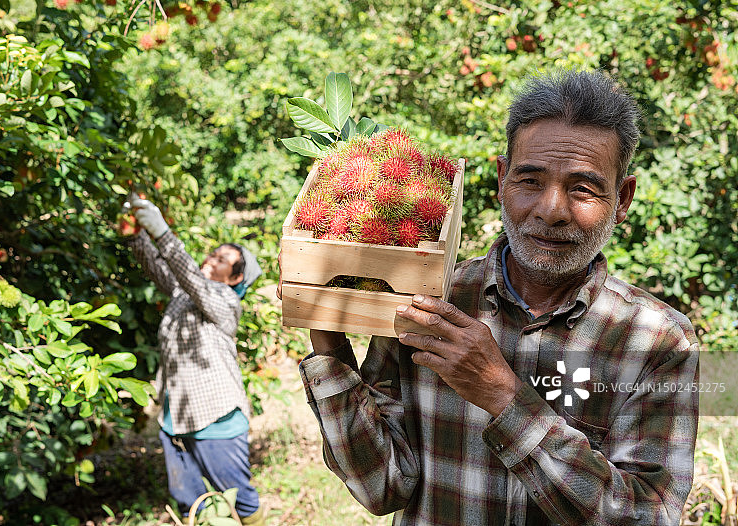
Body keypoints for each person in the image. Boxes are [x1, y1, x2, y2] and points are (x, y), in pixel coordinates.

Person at [291, 70, 699, 525]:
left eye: (582, 188)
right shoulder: (424, 300)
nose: (552, 210)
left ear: (621, 200)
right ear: (502, 180)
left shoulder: (658, 340)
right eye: (530, 181)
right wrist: (325, 329)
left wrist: (503, 396)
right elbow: (382, 486)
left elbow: (648, 516)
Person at [123, 196, 265, 525]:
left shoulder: (226, 302)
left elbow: (189, 276)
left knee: (240, 500)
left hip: (216, 418)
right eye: (213, 254)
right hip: (176, 417)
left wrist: (161, 231)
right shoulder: (185, 293)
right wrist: (134, 233)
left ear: (234, 279)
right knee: (190, 503)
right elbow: (160, 268)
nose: (211, 260)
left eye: (222, 261)